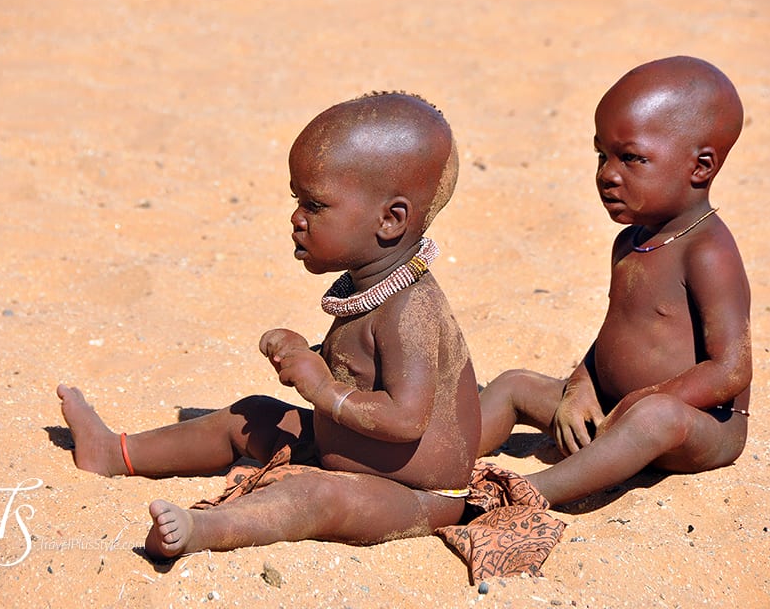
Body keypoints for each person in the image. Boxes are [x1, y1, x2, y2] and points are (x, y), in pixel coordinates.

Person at [57, 91, 481, 560]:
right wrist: (311, 354)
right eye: (296, 200)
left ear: (390, 219)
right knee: (252, 414)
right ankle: (116, 452)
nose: (296, 219)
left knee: (319, 497)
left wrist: (322, 387)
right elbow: (363, 368)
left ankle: (206, 528)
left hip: (414, 495)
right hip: (346, 447)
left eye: (315, 205)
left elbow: (405, 418)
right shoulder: (375, 285)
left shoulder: (412, 309)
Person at [478, 56, 752, 506]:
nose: (607, 174)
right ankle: (439, 460)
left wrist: (635, 405)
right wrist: (581, 387)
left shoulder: (708, 253)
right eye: (601, 155)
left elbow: (730, 369)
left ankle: (526, 497)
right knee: (512, 384)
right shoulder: (630, 242)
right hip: (610, 409)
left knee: (655, 419)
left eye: (631, 158)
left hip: (696, 425)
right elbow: (614, 331)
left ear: (700, 167)